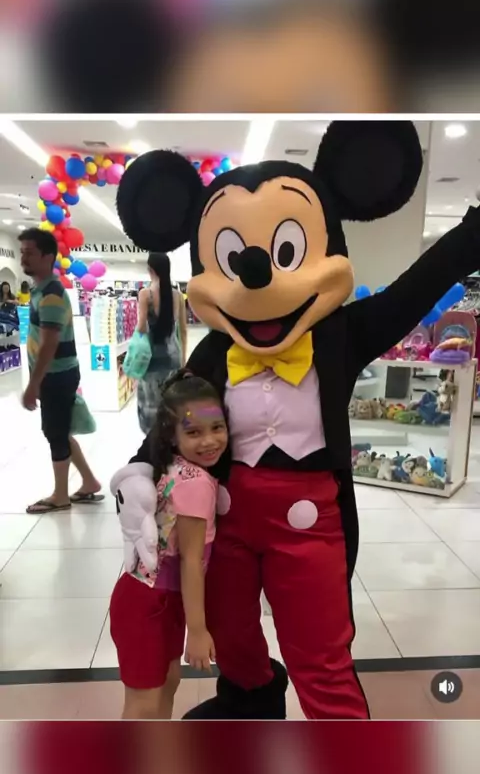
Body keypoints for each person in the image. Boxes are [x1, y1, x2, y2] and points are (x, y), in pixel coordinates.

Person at [113, 123, 480, 720]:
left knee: (319, 648)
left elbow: (416, 289)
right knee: (232, 634)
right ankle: (252, 702)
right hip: (227, 520)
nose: (258, 275)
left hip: (311, 524)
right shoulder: (215, 354)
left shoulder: (341, 335)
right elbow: (177, 421)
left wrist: (472, 235)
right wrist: (139, 469)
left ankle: (343, 745)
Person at [110, 369, 229, 719]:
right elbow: (191, 562)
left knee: (166, 683)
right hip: (151, 603)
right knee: (145, 703)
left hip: (155, 600)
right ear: (172, 435)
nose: (209, 441)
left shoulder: (175, 467)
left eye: (217, 427)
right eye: (193, 432)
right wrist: (198, 631)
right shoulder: (196, 484)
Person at [19, 228, 104, 514]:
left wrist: (34, 383)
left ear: (47, 256)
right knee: (61, 429)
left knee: (54, 433)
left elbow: (49, 343)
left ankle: (60, 495)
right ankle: (89, 481)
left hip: (55, 375)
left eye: (30, 253)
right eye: (22, 252)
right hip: (57, 374)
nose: (24, 258)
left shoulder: (52, 294)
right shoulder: (41, 290)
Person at [136, 252, 188, 434]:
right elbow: (183, 331)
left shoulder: (145, 294)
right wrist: (183, 360)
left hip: (151, 358)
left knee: (151, 403)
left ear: (150, 269)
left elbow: (141, 328)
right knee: (171, 401)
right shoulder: (178, 296)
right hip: (173, 355)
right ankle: (171, 437)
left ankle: (153, 440)